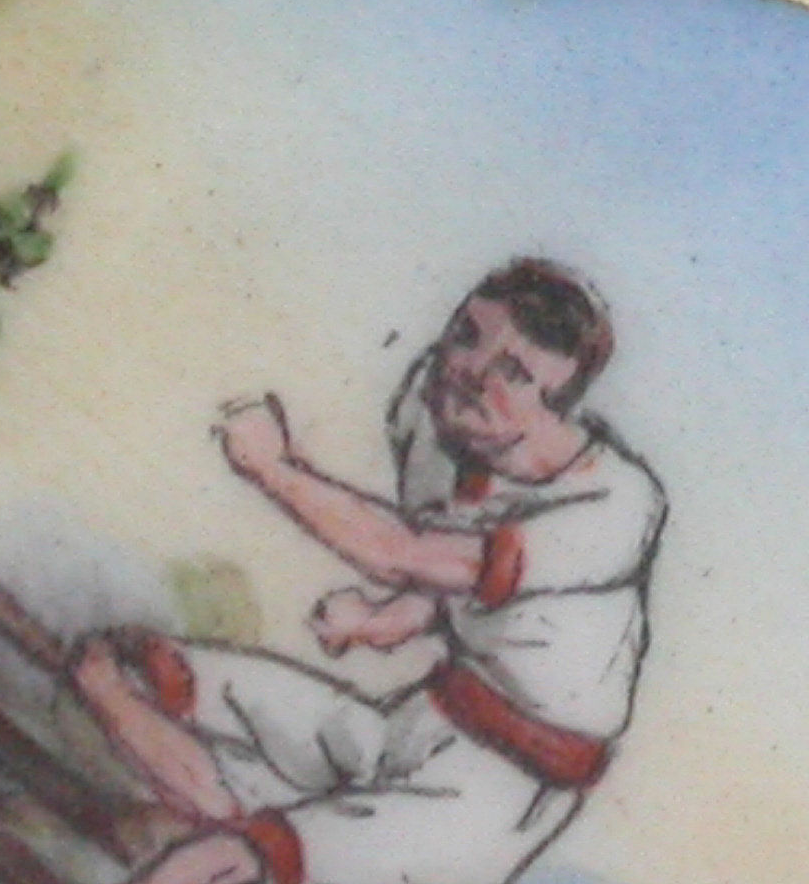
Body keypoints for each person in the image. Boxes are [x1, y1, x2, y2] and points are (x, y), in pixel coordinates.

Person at [71, 258, 667, 884]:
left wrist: (274, 469)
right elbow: (451, 570)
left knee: (224, 864)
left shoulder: (614, 503)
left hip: (497, 788)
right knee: (131, 669)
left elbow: (411, 552)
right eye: (466, 335)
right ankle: (241, 815)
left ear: (556, 408)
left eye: (513, 373)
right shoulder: (431, 410)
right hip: (419, 719)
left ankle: (260, 839)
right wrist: (389, 618)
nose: (469, 371)